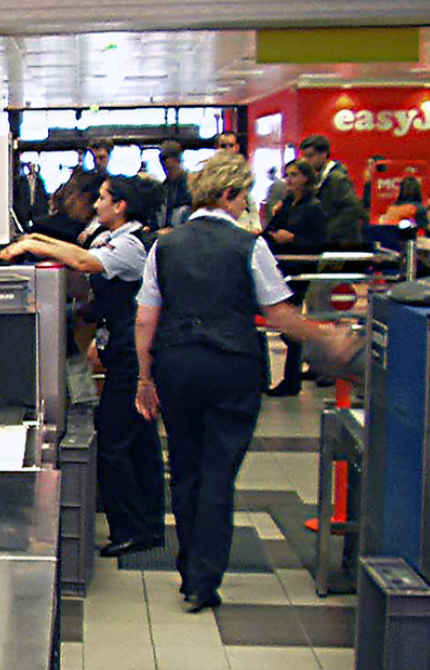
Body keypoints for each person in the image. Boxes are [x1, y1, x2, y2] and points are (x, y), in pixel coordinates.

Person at [133, 153, 355, 613]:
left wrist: (144, 378)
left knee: (187, 466)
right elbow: (277, 313)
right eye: (242, 196)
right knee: (219, 471)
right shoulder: (249, 246)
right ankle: (202, 579)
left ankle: (188, 567)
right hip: (232, 365)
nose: (243, 206)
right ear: (229, 194)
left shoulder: (164, 246)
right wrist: (325, 334)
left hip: (177, 363)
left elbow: (145, 319)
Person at [0, 176, 166, 559]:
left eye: (104, 199)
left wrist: (29, 244)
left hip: (131, 352)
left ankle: (131, 529)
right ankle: (147, 523)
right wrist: (34, 242)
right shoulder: (120, 236)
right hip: (125, 347)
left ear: (121, 206)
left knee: (114, 440)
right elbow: (77, 248)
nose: (96, 205)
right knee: (139, 441)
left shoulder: (130, 245)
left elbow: (82, 260)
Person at [263, 159, 328, 397]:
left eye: (294, 175)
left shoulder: (313, 207)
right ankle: (290, 376)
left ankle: (291, 377)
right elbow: (270, 228)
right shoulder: (289, 203)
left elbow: (318, 243)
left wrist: (293, 240)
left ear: (306, 179)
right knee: (284, 321)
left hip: (299, 268)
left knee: (288, 321)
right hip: (282, 267)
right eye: (287, 174)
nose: (289, 180)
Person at [299, 135, 366, 248]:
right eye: (304, 157)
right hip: (334, 242)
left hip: (342, 244)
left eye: (310, 156)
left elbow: (353, 209)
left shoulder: (336, 179)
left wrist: (326, 231)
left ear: (323, 154)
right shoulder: (321, 179)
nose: (306, 161)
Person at [31, 171, 104, 246]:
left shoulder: (99, 233)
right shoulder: (45, 226)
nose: (69, 201)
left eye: (72, 192)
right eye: (69, 192)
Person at [158, 141, 191, 230]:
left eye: (171, 168)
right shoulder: (163, 187)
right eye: (165, 169)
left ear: (179, 161)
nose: (168, 173)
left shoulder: (191, 187)